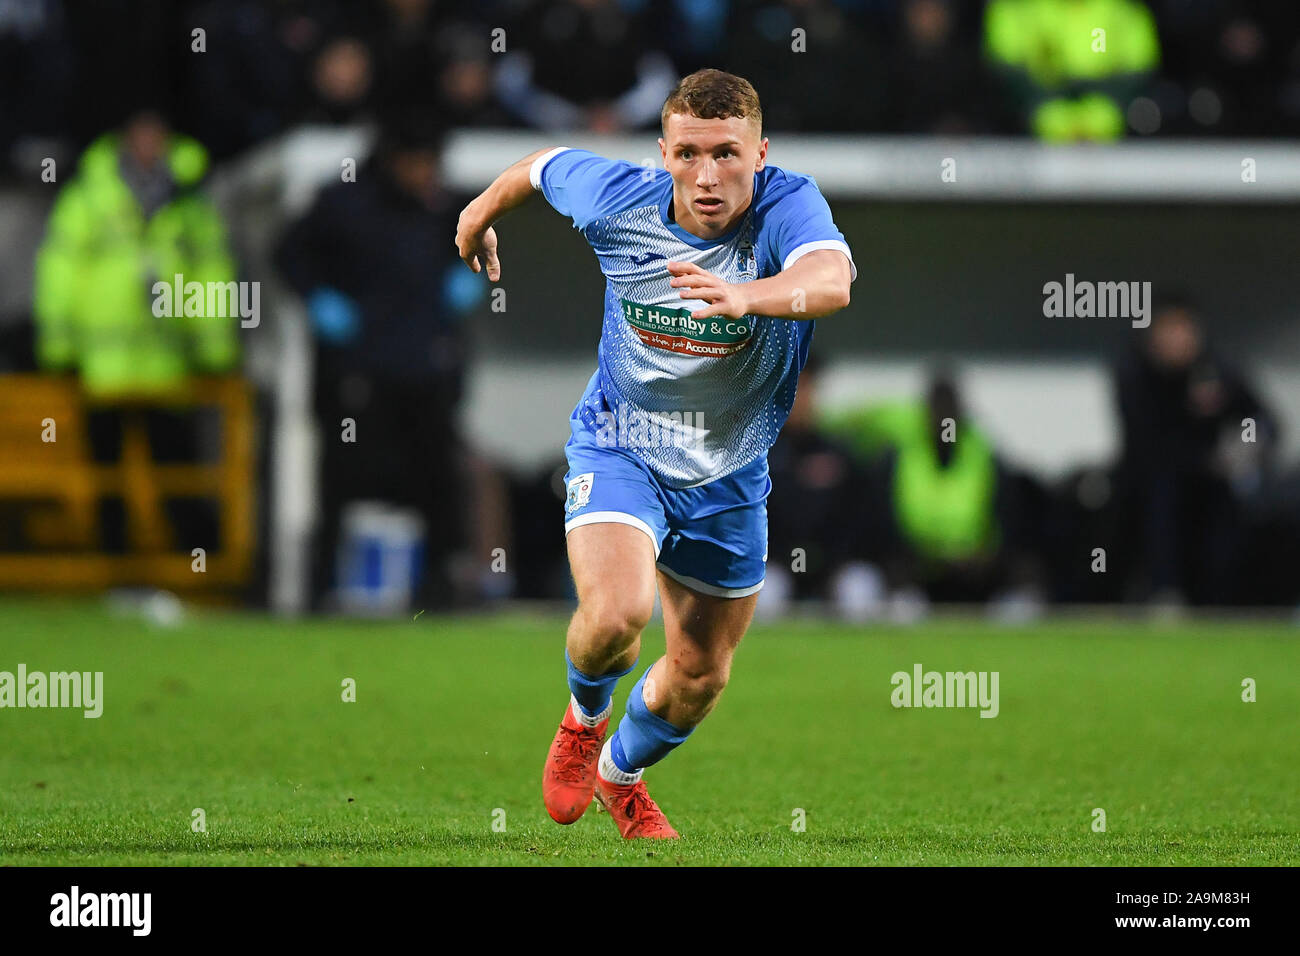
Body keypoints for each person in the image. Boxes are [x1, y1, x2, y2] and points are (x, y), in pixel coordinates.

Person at [454, 69, 855, 838]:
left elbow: (830, 280)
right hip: (622, 441)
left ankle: (618, 775)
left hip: (730, 469)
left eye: (729, 155)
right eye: (689, 154)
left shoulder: (786, 205)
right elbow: (540, 167)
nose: (708, 176)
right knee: (618, 616)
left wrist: (748, 295)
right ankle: (582, 723)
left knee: (700, 677)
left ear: (760, 154)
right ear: (663, 153)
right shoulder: (618, 197)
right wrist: (477, 215)